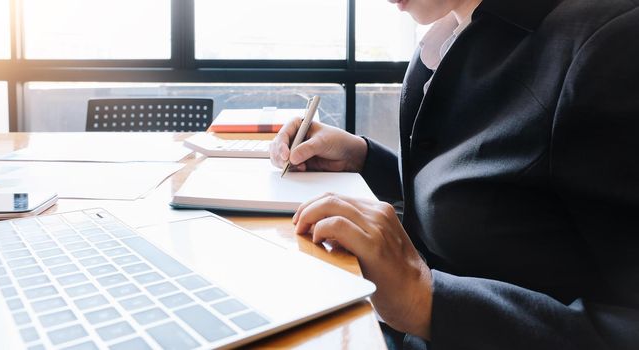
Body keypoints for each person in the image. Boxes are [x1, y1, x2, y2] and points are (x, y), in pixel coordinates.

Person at [269, 0, 639, 348]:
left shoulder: (610, 43)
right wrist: (365, 160)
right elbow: (501, 203)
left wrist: (427, 301)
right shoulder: (448, 31)